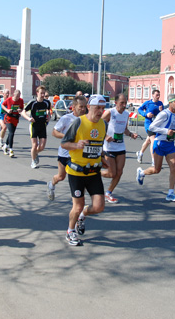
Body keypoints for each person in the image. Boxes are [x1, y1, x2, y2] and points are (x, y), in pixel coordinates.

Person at [61, 95, 108, 246]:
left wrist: (102, 158)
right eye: (97, 108)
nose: (100, 111)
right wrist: (76, 145)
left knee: (99, 206)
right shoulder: (78, 122)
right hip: (76, 172)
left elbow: (97, 145)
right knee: (78, 205)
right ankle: (70, 231)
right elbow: (64, 144)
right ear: (89, 107)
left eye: (102, 108)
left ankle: (83, 215)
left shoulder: (103, 125)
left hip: (94, 172)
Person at [136, 94, 175, 202]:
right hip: (160, 144)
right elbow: (152, 127)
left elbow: (172, 129)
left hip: (170, 145)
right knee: (156, 170)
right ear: (170, 102)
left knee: (174, 167)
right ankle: (142, 173)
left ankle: (171, 193)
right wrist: (166, 131)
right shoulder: (164, 114)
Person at [47, 95, 88, 201]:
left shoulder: (87, 119)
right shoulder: (66, 118)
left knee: (80, 179)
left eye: (85, 106)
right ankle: (51, 184)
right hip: (65, 154)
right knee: (61, 177)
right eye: (81, 107)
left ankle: (78, 203)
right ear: (74, 107)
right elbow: (54, 132)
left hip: (79, 155)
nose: (83, 109)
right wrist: (67, 136)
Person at [101, 94, 139, 203]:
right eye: (122, 103)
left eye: (125, 103)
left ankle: (108, 193)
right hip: (109, 147)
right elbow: (98, 126)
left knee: (119, 172)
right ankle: (93, 172)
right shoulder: (110, 112)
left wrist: (131, 134)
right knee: (111, 173)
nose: (124, 105)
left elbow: (125, 129)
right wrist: (105, 136)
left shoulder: (126, 114)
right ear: (116, 103)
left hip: (120, 146)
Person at [22, 85, 51, 168]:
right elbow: (23, 112)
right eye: (41, 93)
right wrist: (28, 118)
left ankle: (35, 153)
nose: (42, 95)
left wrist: (48, 117)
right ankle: (33, 161)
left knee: (42, 147)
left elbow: (49, 110)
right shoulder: (32, 103)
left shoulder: (47, 102)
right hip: (34, 126)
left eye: (44, 93)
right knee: (34, 145)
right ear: (37, 93)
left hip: (42, 126)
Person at [136, 89, 164, 164]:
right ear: (153, 95)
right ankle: (153, 160)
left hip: (157, 125)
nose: (158, 96)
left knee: (148, 141)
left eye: (159, 95)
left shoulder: (160, 103)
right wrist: (146, 114)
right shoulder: (148, 103)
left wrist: (161, 111)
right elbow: (139, 109)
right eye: (157, 95)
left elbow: (163, 114)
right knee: (153, 140)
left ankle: (140, 153)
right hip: (149, 125)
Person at [1, 89, 24, 157]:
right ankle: (11, 149)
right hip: (9, 118)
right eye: (16, 96)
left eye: (18, 96)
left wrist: (20, 110)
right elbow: (2, 105)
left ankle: (5, 146)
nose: (17, 98)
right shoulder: (9, 100)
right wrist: (7, 110)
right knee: (11, 133)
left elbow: (22, 108)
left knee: (11, 133)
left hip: (15, 118)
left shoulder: (21, 100)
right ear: (14, 94)